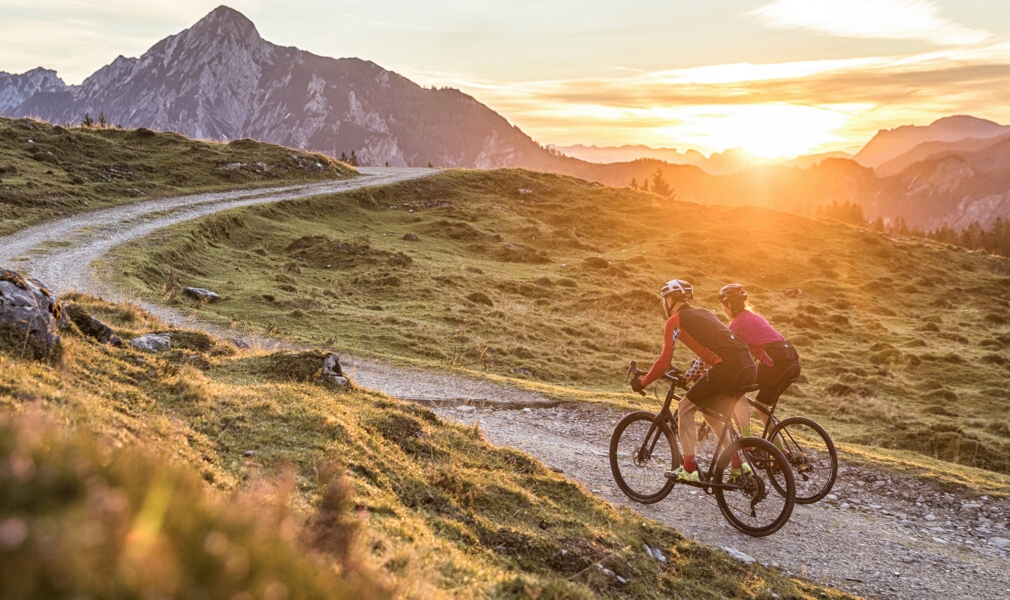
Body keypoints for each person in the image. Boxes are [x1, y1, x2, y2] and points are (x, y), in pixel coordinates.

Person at [632, 279, 758, 481]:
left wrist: (642, 382)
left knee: (684, 407)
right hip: (748, 366)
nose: (664, 303)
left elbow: (664, 362)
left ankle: (689, 468)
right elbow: (711, 351)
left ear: (671, 299)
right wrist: (688, 377)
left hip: (728, 367)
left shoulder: (675, 320)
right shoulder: (705, 313)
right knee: (711, 414)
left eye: (665, 299)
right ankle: (737, 465)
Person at [718, 284, 801, 444]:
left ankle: (746, 440)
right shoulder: (754, 317)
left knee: (736, 390)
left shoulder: (736, 324)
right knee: (761, 405)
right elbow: (752, 354)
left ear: (729, 305)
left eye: (723, 307)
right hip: (791, 361)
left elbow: (731, 356)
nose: (723, 310)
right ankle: (780, 453)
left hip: (776, 362)